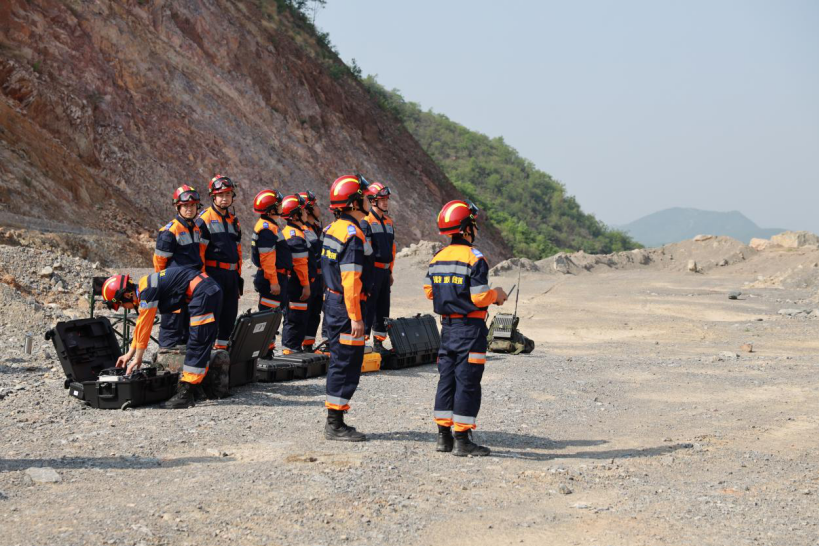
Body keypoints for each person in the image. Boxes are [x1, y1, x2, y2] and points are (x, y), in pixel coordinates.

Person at [423, 200, 508, 456]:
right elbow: (480, 297)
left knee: (446, 380)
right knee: (468, 382)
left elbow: (429, 292)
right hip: (470, 329)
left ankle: (443, 437)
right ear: (467, 228)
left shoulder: (437, 258)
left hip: (447, 329)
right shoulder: (475, 258)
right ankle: (462, 439)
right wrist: (498, 295)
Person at [101, 269, 222, 409]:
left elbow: (145, 326)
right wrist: (129, 353)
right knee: (202, 339)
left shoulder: (147, 292)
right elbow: (141, 324)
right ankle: (196, 389)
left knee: (198, 341)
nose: (125, 308)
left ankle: (186, 394)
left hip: (203, 293)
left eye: (122, 304)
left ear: (127, 295)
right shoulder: (145, 286)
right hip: (209, 290)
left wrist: (138, 358)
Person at [321, 175, 372, 441]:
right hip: (346, 306)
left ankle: (335, 419)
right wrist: (356, 317)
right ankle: (335, 424)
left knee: (340, 361)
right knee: (346, 363)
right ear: (354, 203)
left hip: (333, 302)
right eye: (364, 197)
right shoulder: (352, 235)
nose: (368, 201)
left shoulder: (332, 229)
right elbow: (350, 280)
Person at [153, 185, 203, 350]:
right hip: (174, 288)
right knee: (171, 327)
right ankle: (164, 362)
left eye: (193, 206)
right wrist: (164, 288)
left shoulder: (195, 229)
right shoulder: (169, 231)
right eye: (186, 206)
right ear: (178, 207)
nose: (190, 209)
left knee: (189, 327)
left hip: (191, 286)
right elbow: (159, 263)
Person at [196, 175, 242, 350]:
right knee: (212, 315)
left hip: (230, 275)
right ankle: (208, 354)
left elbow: (238, 251)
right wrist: (203, 280)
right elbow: (199, 254)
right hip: (213, 275)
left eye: (228, 194)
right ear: (213, 197)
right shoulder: (204, 219)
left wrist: (237, 277)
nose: (225, 198)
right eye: (221, 195)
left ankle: (222, 355)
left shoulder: (233, 220)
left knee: (229, 316)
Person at [250, 188, 286, 356]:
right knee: (267, 316)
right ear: (271, 209)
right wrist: (273, 281)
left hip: (274, 276)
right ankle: (264, 350)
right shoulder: (266, 228)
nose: (281, 207)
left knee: (272, 315)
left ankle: (267, 349)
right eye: (278, 205)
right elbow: (267, 259)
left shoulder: (270, 226)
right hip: (271, 277)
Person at [360, 182, 395, 348]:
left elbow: (392, 249)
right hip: (372, 271)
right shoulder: (366, 222)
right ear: (373, 201)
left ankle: (379, 343)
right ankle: (362, 342)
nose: (386, 202)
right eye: (382, 199)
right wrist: (366, 275)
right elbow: (365, 253)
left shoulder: (388, 222)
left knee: (383, 308)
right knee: (369, 307)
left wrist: (390, 272)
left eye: (387, 199)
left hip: (385, 272)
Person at [279, 194, 312, 354]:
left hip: (294, 283)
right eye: (303, 211)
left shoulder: (294, 232)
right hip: (297, 285)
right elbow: (300, 265)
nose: (307, 213)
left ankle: (293, 348)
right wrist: (306, 285)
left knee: (296, 317)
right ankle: (290, 349)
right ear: (296, 215)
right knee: (295, 318)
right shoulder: (295, 236)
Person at [299, 191, 324, 352]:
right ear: (307, 209)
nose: (318, 208)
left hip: (319, 278)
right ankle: (295, 347)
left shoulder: (316, 228)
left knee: (315, 313)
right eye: (314, 205)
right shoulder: (302, 230)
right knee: (302, 313)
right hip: (308, 278)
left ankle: (308, 345)